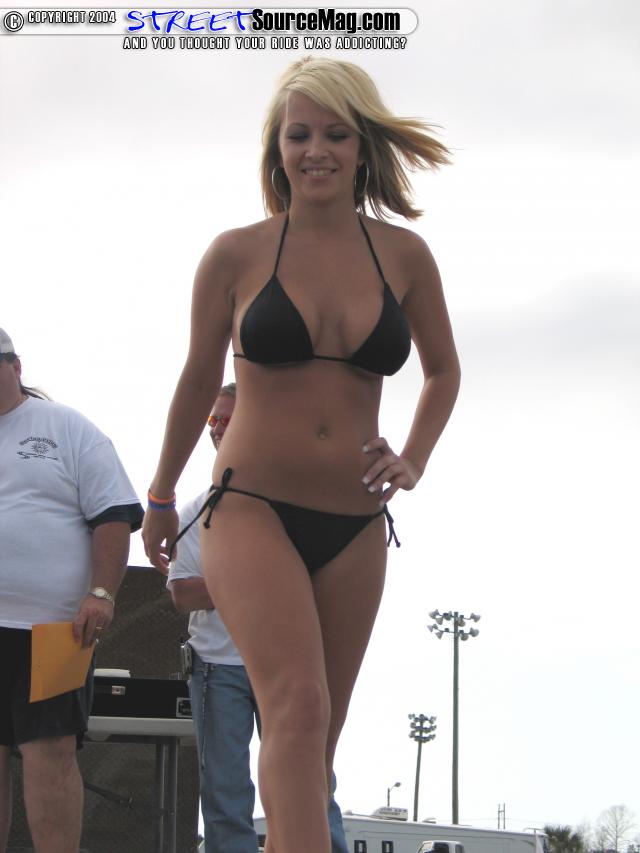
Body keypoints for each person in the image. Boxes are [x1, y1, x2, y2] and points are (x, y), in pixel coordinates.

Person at [143, 57, 460, 853]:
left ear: (363, 147)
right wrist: (160, 495)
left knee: (316, 746)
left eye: (335, 134)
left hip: (355, 522)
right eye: (299, 135)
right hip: (252, 507)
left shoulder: (405, 256)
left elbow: (444, 371)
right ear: (276, 148)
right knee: (298, 705)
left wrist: (414, 458)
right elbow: (196, 379)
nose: (316, 150)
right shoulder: (236, 254)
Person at [167, 382, 349, 853]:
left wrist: (240, 581)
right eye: (212, 420)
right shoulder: (196, 510)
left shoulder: (303, 503)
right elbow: (182, 593)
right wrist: (262, 582)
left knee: (313, 780)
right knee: (225, 793)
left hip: (291, 663)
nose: (216, 428)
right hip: (217, 667)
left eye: (227, 419)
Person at [0, 327, 144, 853]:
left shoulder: (64, 426)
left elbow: (114, 514)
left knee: (51, 754)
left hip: (54, 627)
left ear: (16, 367)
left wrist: (101, 593)